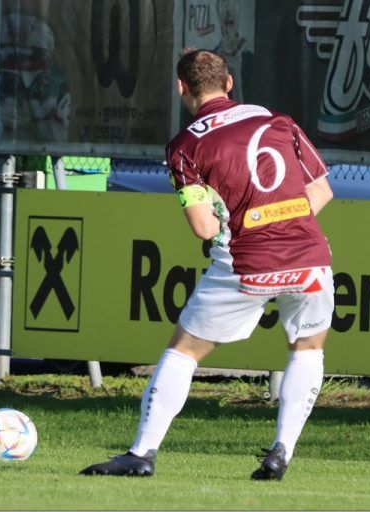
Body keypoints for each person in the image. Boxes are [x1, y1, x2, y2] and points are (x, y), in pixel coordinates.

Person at [80, 49, 334, 480]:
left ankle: (142, 453)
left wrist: (235, 222)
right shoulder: (279, 121)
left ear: (181, 87)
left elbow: (202, 226)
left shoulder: (185, 146)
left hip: (246, 262)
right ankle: (281, 452)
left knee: (184, 351)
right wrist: (280, 218)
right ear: (229, 82)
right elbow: (321, 191)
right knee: (307, 348)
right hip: (309, 258)